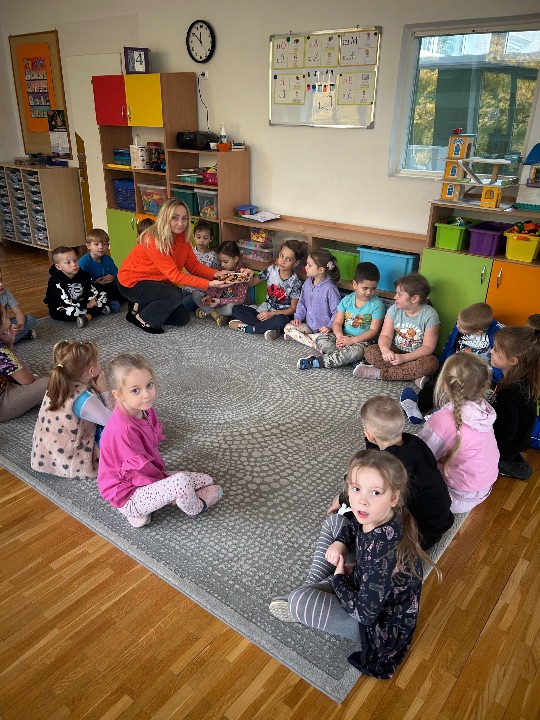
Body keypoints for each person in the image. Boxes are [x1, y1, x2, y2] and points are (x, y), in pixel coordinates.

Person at [269, 450, 440, 679]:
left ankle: (307, 594)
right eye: (356, 489)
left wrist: (339, 579)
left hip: (373, 626)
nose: (362, 500)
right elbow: (354, 526)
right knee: (335, 522)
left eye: (375, 492)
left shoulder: (386, 556)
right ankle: (312, 586)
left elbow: (365, 614)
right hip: (363, 579)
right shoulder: (379, 515)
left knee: (301, 602)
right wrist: (340, 543)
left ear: (394, 498)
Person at [97, 353, 223, 527]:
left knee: (206, 480)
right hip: (127, 495)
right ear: (118, 395)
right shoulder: (123, 430)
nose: (146, 394)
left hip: (144, 480)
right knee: (181, 481)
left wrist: (165, 482)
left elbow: (151, 448)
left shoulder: (144, 409)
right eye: (136, 390)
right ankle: (194, 508)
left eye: (149, 385)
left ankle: (167, 499)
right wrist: (168, 485)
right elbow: (137, 472)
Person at [327, 396, 453, 550]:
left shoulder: (388, 468)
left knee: (357, 517)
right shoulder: (414, 441)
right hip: (440, 519)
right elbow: (373, 457)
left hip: (418, 535)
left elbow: (375, 493)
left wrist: (344, 498)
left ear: (369, 434)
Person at [117, 199, 226, 334]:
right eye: (175, 218)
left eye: (184, 218)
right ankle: (141, 319)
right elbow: (175, 276)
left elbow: (193, 266)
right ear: (165, 217)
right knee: (175, 295)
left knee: (182, 319)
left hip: (155, 281)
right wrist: (208, 284)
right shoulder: (153, 240)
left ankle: (139, 307)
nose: (180, 223)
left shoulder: (182, 238)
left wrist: (216, 274)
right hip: (132, 283)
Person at [417, 353, 499, 513]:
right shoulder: (483, 410)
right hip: (483, 489)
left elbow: (422, 454)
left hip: (453, 497)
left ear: (444, 383)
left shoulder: (444, 419)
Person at [401, 302, 504, 422]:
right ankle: (417, 407)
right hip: (456, 368)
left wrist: (495, 378)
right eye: (458, 321)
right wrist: (442, 367)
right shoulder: (461, 323)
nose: (458, 326)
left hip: (477, 375)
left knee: (467, 398)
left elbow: (501, 357)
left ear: (478, 331)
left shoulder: (498, 332)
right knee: (436, 385)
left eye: (462, 327)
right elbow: (450, 345)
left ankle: (442, 417)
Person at [31, 340, 112, 478]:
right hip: (74, 461)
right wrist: (104, 391)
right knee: (127, 427)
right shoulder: (83, 398)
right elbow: (113, 421)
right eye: (99, 362)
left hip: (46, 454)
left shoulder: (58, 383)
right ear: (91, 371)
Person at [353, 272, 440, 382]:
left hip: (417, 356)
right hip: (395, 352)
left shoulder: (430, 315)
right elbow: (385, 335)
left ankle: (379, 373)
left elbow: (428, 347)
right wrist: (385, 350)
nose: (395, 297)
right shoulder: (394, 309)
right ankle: (412, 375)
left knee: (431, 364)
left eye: (400, 294)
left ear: (414, 298)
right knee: (370, 351)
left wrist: (404, 358)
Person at [297, 262, 384, 369]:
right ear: (355, 284)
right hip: (344, 335)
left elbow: (374, 330)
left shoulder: (377, 304)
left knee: (358, 351)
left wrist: (352, 340)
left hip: (362, 341)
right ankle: (350, 359)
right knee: (321, 340)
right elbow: (337, 322)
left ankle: (318, 362)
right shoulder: (347, 300)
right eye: (365, 288)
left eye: (373, 288)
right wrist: (339, 337)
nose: (369, 292)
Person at [489, 326, 540, 480]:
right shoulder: (524, 380)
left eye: (496, 350)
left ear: (512, 361)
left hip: (505, 446)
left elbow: (505, 433)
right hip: (518, 442)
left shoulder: (509, 394)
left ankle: (502, 464)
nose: (491, 351)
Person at [229, 239, 304, 341]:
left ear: (296, 263)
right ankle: (269, 328)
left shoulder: (296, 282)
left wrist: (271, 314)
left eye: (288, 259)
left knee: (281, 320)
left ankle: (253, 329)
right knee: (236, 309)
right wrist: (248, 275)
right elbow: (251, 283)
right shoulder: (271, 269)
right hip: (265, 310)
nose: (282, 261)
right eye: (281, 256)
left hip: (280, 314)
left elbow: (293, 309)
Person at [283, 248, 342, 349]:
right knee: (288, 328)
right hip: (309, 326)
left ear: (321, 270)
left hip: (324, 331)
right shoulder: (307, 283)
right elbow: (301, 303)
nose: (305, 267)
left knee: (325, 340)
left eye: (309, 265)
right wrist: (298, 318)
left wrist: (329, 326)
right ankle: (313, 344)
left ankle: (305, 339)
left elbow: (337, 312)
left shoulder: (330, 289)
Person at [0, 303, 47, 422]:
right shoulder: (1, 351)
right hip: (2, 403)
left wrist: (9, 344)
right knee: (50, 382)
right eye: (5, 315)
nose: (9, 317)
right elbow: (28, 380)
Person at [44, 246, 109, 328]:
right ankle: (95, 312)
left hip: (81, 300)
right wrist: (87, 305)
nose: (74, 264)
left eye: (75, 260)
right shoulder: (56, 280)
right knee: (73, 311)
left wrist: (94, 297)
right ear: (58, 267)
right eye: (68, 262)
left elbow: (90, 286)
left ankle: (89, 314)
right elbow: (66, 301)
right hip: (62, 305)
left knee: (103, 294)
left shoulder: (81, 273)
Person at [192, 241, 251, 326]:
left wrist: (220, 301)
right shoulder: (221, 269)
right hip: (218, 302)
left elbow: (240, 299)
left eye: (225, 261)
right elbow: (215, 287)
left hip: (229, 303)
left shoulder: (242, 274)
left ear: (235, 259)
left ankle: (210, 312)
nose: (222, 265)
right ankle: (215, 314)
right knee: (195, 294)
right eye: (220, 261)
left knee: (231, 308)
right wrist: (209, 296)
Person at [78, 228, 123, 312]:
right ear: (88, 246)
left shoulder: (108, 259)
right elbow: (80, 282)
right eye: (96, 244)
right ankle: (107, 303)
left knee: (121, 287)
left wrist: (112, 277)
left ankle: (108, 302)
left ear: (108, 245)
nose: (101, 247)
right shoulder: (84, 262)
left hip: (107, 286)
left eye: (104, 244)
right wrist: (95, 283)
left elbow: (117, 275)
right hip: (92, 289)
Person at [182, 219, 220, 310]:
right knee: (173, 302)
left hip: (200, 293)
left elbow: (215, 276)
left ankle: (200, 306)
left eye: (205, 238)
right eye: (198, 237)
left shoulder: (213, 256)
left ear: (211, 239)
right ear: (194, 237)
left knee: (182, 306)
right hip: (186, 288)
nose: (201, 241)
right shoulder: (190, 251)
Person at [0, 267, 37, 342]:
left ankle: (9, 340)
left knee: (30, 319)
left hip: (4, 325)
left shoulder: (5, 292)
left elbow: (18, 312)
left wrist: (20, 324)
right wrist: (6, 329)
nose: (1, 284)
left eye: (1, 279)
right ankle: (16, 337)